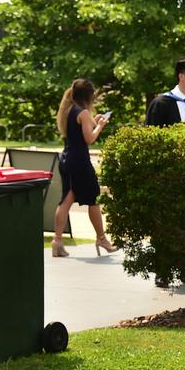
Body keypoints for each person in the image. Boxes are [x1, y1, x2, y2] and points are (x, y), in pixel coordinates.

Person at [51, 78, 116, 257]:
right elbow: (89, 139)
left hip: (67, 159)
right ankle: (101, 238)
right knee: (93, 198)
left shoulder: (68, 110)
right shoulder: (83, 112)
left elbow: (80, 131)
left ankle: (57, 241)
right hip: (79, 161)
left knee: (66, 200)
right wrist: (101, 126)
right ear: (89, 96)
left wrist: (94, 121)